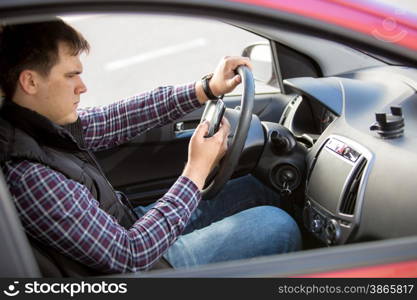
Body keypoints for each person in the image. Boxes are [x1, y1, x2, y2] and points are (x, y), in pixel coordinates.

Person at [0, 18, 301, 274]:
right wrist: (196, 170)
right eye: (71, 75)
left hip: (131, 226)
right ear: (30, 82)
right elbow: (130, 255)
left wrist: (205, 89)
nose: (83, 86)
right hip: (145, 268)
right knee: (277, 226)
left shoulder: (39, 127)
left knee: (259, 186)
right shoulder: (29, 174)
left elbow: (117, 118)